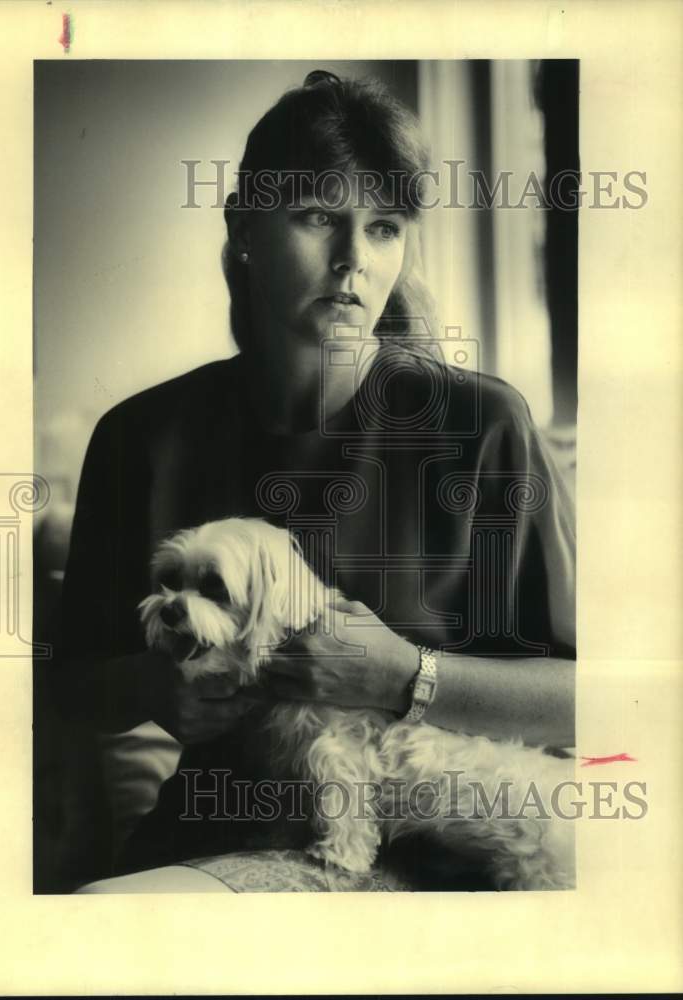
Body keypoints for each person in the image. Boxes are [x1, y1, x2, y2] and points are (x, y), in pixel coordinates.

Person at [59, 70, 575, 893]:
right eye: (315, 218)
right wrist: (150, 685)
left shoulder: (482, 425)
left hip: (446, 848)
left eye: (381, 228)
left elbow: (592, 699)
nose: (351, 262)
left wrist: (408, 676)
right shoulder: (140, 438)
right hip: (223, 836)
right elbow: (65, 690)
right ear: (242, 229)